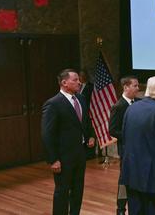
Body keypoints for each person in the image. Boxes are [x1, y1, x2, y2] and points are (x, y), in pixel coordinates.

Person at [120, 75, 155, 215]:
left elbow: (125, 137)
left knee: (135, 210)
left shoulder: (131, 108)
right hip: (154, 175)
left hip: (132, 171)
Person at [41, 69, 96, 215]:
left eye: (79, 80)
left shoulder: (81, 98)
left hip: (79, 154)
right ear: (64, 83)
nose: (79, 82)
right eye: (75, 80)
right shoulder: (53, 104)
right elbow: (47, 134)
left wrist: (91, 135)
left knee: (78, 190)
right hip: (63, 157)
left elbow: (86, 121)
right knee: (62, 192)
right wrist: (53, 159)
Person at [109, 75, 140, 215]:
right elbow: (113, 130)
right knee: (124, 180)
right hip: (127, 151)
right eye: (135, 86)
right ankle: (121, 208)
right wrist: (129, 136)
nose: (138, 88)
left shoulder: (140, 103)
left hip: (140, 150)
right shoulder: (118, 106)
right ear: (126, 87)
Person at [78, 68, 96, 160]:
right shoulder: (76, 87)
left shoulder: (90, 86)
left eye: (83, 75)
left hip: (88, 110)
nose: (81, 77)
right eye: (80, 75)